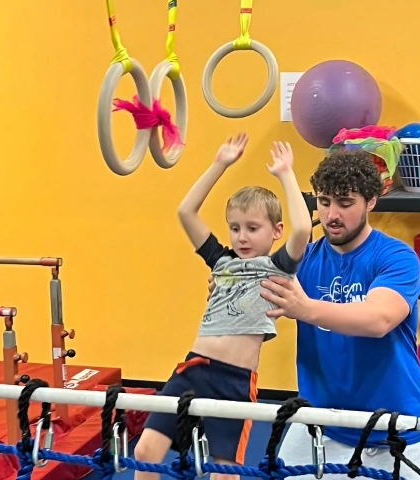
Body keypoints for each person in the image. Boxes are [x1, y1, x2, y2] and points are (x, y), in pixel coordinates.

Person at [208, 149, 420, 480]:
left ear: (370, 202)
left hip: (391, 429)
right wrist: (229, 290)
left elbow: (379, 319)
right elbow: (254, 308)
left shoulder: (396, 257)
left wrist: (305, 308)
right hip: (318, 423)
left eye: (344, 202)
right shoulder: (303, 261)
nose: (332, 214)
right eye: (324, 202)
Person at [133, 133, 313, 480]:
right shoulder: (220, 262)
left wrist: (286, 173)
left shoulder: (277, 267)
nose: (242, 237)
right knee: (145, 451)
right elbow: (186, 211)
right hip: (194, 368)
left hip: (235, 382)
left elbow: (303, 226)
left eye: (252, 228)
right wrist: (220, 164)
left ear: (276, 231)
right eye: (234, 228)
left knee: (224, 473)